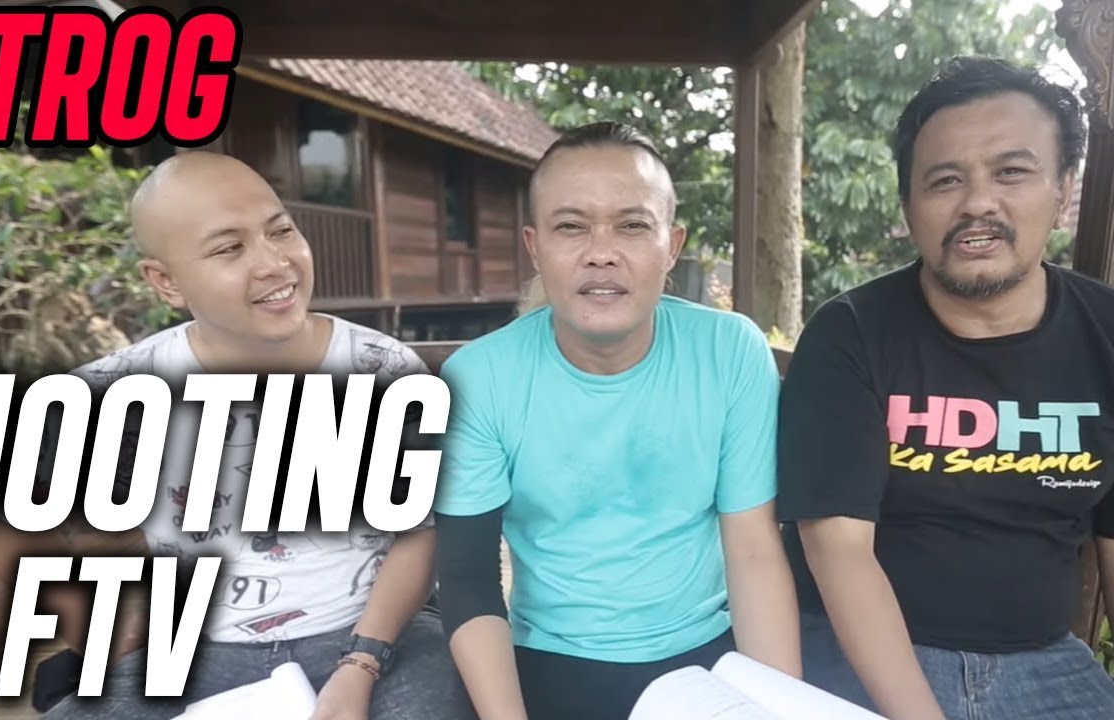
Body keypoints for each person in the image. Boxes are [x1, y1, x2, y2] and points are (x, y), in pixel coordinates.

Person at [0, 151, 476, 720]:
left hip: (376, 634)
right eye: (229, 248)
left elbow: (423, 531)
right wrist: (93, 630)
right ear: (166, 281)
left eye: (280, 231)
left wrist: (362, 661)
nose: (274, 263)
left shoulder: (378, 366)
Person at [778, 56, 1114, 720]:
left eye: (1011, 172)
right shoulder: (850, 334)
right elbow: (839, 552)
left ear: (1063, 189)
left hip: (1045, 663)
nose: (978, 203)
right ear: (908, 205)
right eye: (946, 180)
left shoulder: (1105, 334)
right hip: (856, 652)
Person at [432, 121, 802, 720]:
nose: (600, 252)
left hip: (706, 655)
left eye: (631, 225)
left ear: (671, 245)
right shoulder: (479, 378)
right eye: (571, 226)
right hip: (546, 658)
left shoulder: (730, 351)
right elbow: (468, 576)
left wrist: (780, 707)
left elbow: (754, 551)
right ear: (534, 247)